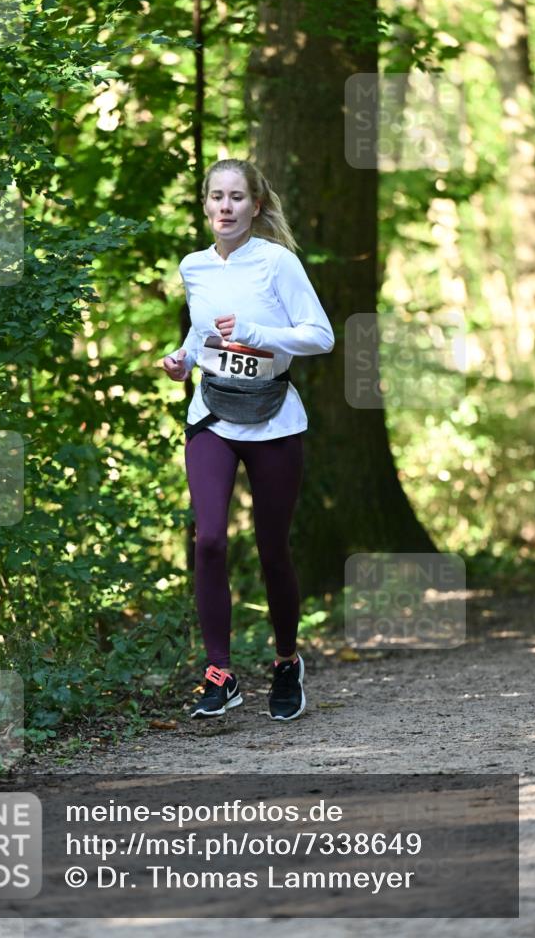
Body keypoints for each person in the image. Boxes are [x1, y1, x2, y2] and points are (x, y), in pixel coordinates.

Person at [163, 159, 334, 721]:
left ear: (255, 206)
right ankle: (220, 673)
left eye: (237, 197)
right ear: (205, 205)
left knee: (272, 548)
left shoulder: (277, 262)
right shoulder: (194, 266)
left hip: (273, 419)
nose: (226, 206)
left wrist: (257, 333)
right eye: (217, 196)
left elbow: (321, 336)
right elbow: (202, 332)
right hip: (212, 414)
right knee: (210, 539)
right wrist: (183, 359)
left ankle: (286, 663)